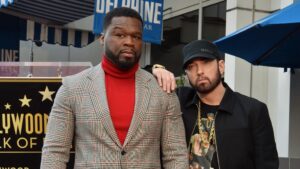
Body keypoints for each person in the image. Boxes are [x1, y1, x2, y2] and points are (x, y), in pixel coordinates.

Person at [40, 7, 188, 169]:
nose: (129, 42)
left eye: (136, 36)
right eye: (120, 35)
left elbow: (175, 154)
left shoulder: (162, 90)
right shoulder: (72, 88)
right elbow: (55, 152)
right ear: (102, 38)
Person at [152, 40, 279, 169]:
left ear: (221, 66)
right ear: (187, 74)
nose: (199, 71)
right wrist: (156, 70)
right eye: (191, 66)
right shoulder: (180, 101)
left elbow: (267, 164)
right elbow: (140, 82)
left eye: (206, 62)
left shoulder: (252, 110)